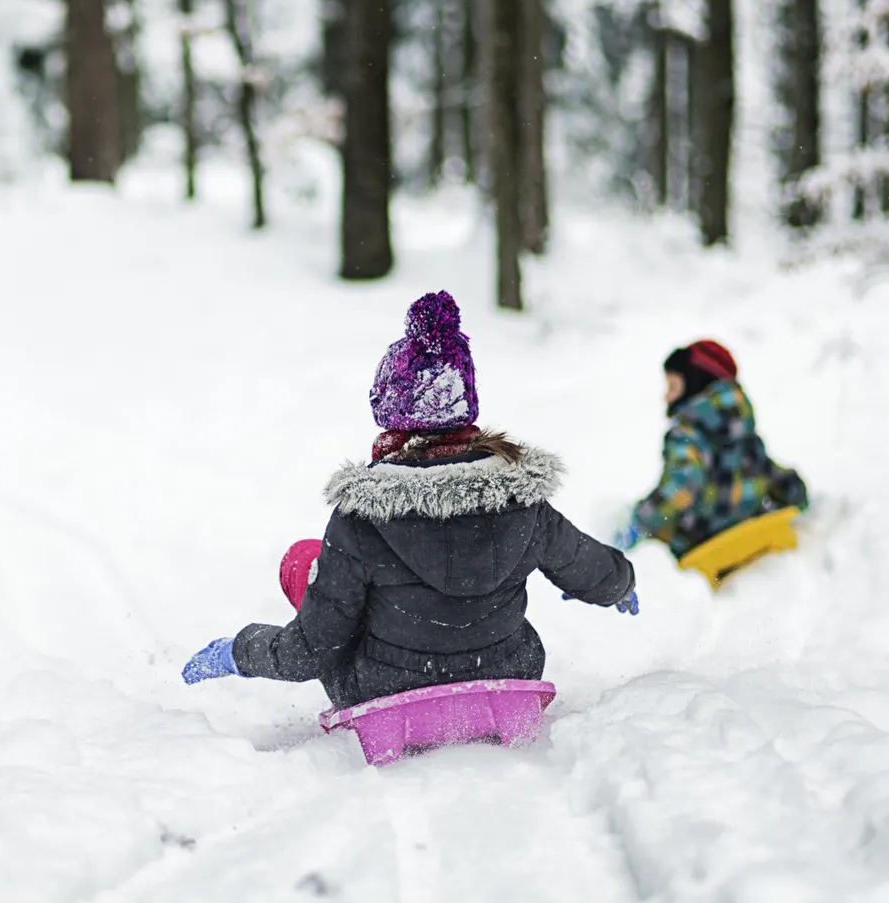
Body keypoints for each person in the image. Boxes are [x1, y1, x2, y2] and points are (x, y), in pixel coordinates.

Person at [181, 292, 638, 708]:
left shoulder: (362, 519)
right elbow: (590, 566)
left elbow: (311, 653)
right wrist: (621, 584)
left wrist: (240, 651)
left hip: (385, 691)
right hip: (505, 674)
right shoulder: (523, 502)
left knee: (305, 561)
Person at [615, 340, 808, 556]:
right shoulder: (742, 429)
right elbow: (763, 469)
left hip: (698, 542)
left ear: (695, 383)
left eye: (672, 387)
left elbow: (682, 486)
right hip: (747, 528)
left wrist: (640, 521)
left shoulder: (685, 432)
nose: (666, 396)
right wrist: (792, 490)